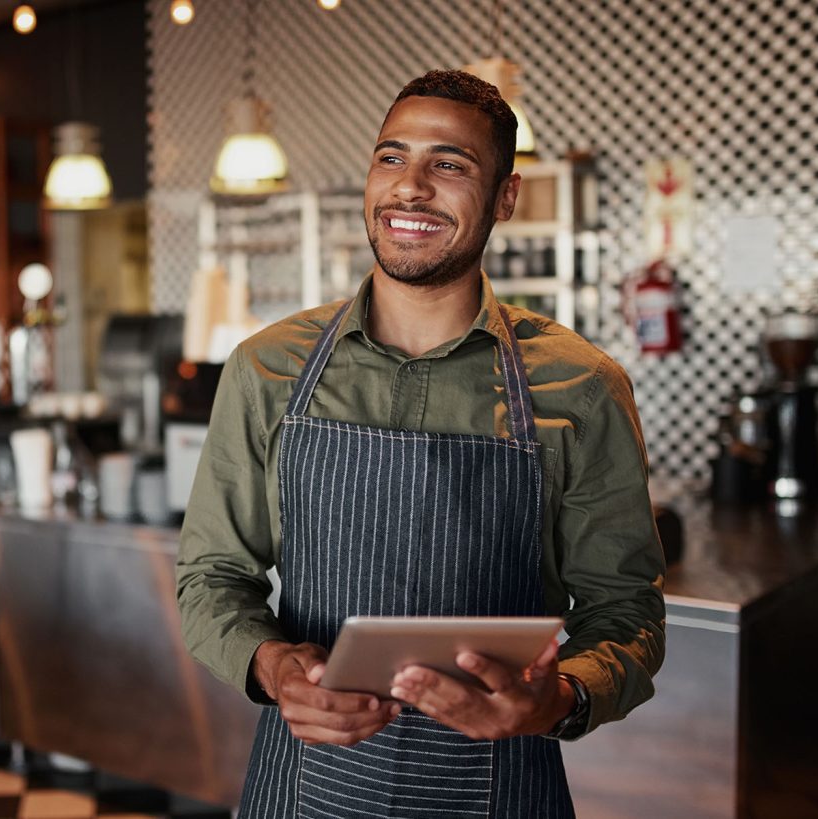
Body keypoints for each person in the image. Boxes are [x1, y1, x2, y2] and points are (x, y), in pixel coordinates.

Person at [176, 69, 665, 818]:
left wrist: (555, 698)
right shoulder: (266, 368)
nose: (410, 187)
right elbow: (211, 574)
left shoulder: (582, 387)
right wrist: (272, 665)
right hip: (304, 789)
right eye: (392, 157)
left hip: (501, 791)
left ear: (506, 196)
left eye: (450, 164)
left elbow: (626, 612)